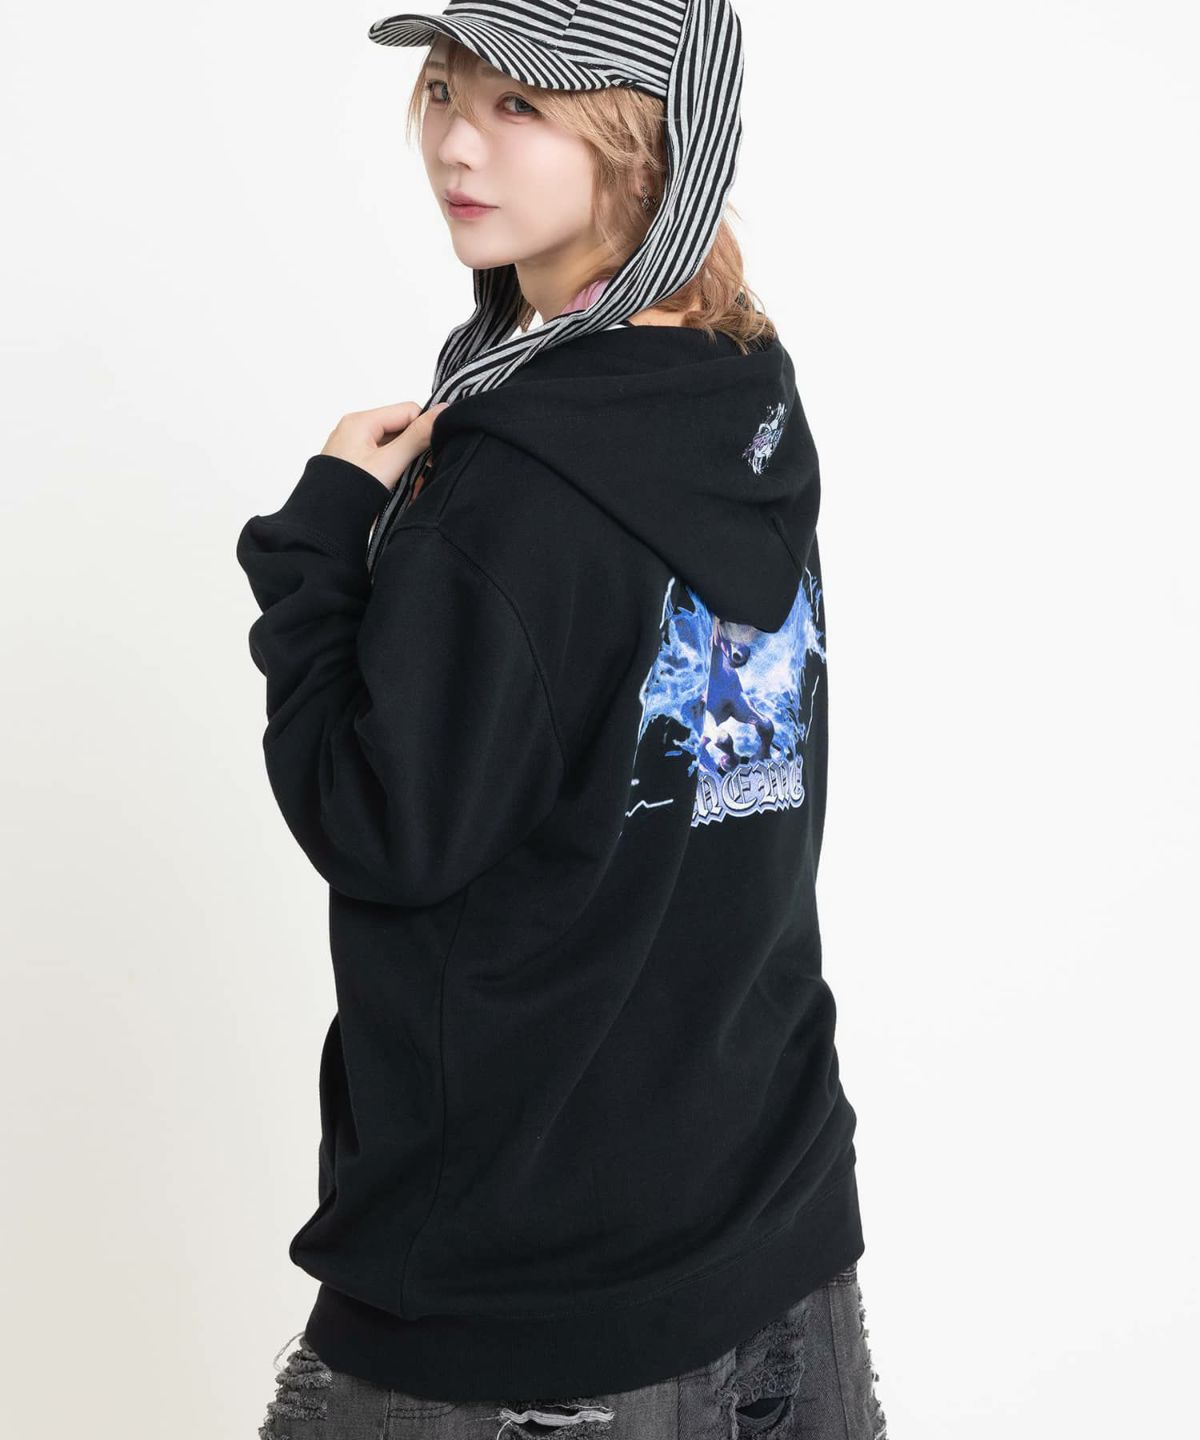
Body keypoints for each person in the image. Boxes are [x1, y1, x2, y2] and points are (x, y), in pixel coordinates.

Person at [238, 2, 889, 1436]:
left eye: (521, 105)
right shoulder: (741, 400)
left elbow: (382, 825)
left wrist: (318, 546)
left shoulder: (515, 491)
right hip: (777, 1224)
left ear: (644, 144)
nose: (456, 145)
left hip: (527, 1307)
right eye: (445, 91)